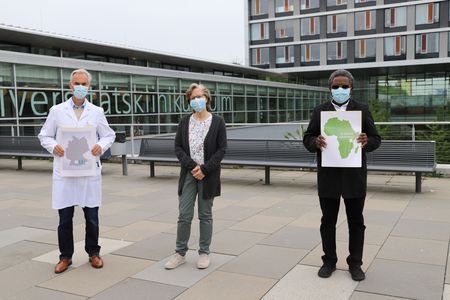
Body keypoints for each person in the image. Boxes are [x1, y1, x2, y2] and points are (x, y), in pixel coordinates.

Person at [303, 69, 381, 281]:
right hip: (329, 177)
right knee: (328, 221)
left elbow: (376, 139)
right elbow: (307, 138)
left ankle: (355, 263)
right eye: (336, 86)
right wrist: (314, 142)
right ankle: (329, 261)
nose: (340, 90)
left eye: (344, 86)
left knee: (356, 222)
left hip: (354, 178)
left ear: (351, 88)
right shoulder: (320, 111)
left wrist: (367, 141)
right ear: (330, 88)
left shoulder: (362, 110)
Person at [38, 69, 115, 274]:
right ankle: (65, 257)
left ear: (88, 86)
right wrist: (53, 146)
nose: (80, 87)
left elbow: (109, 135)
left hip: (89, 172)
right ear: (70, 85)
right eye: (77, 83)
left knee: (91, 216)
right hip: (66, 172)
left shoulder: (97, 111)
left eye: (84, 83)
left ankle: (93, 253)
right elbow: (44, 135)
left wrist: (101, 145)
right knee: (64, 218)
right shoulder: (57, 110)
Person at [165, 83, 227, 270]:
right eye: (193, 98)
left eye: (199, 97)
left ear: (207, 99)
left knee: (205, 214)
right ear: (189, 101)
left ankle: (204, 252)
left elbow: (221, 149)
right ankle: (180, 253)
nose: (196, 100)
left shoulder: (217, 122)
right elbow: (178, 148)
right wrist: (193, 167)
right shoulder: (185, 122)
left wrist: (205, 169)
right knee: (184, 214)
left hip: (208, 174)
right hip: (190, 173)